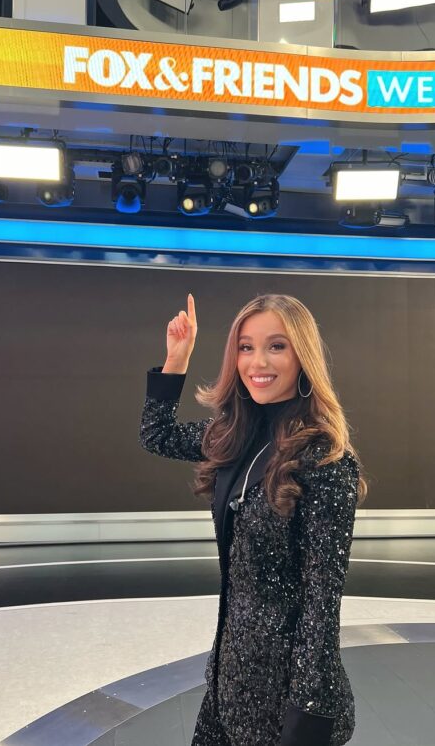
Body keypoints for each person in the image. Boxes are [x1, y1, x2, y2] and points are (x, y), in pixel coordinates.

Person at [139, 292, 368, 746]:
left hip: (282, 702)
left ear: (303, 357)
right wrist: (176, 360)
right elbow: (156, 435)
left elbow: (322, 608)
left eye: (276, 346)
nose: (257, 361)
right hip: (226, 684)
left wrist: (306, 718)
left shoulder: (324, 460)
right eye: (246, 347)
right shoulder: (232, 436)